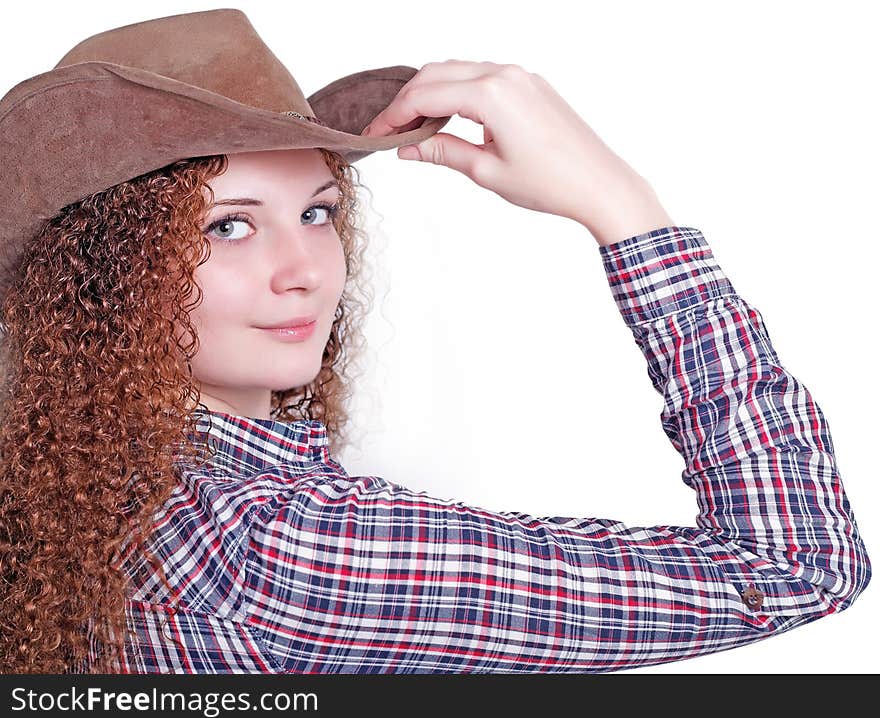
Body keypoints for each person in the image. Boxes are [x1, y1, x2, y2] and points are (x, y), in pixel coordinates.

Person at [0, 9, 870, 675]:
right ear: (100, 278)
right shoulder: (267, 547)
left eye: (317, 212)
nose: (303, 269)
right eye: (229, 226)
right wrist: (623, 208)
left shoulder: (85, 489)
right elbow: (798, 565)